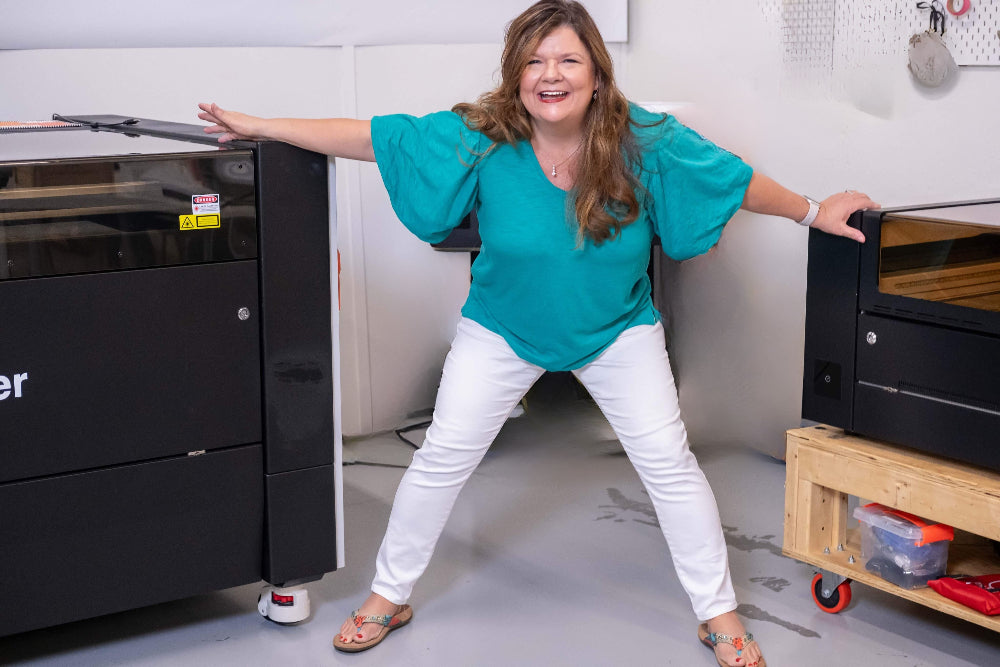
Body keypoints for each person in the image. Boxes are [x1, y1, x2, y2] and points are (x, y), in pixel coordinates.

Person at [199, 2, 875, 664]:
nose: (551, 73)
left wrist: (815, 211)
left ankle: (718, 612)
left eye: (569, 59)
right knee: (440, 460)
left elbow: (732, 179)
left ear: (597, 74)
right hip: (501, 328)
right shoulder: (483, 134)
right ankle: (387, 594)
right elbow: (376, 136)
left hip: (617, 331)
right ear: (517, 74)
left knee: (670, 465)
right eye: (535, 60)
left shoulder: (642, 139)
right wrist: (257, 124)